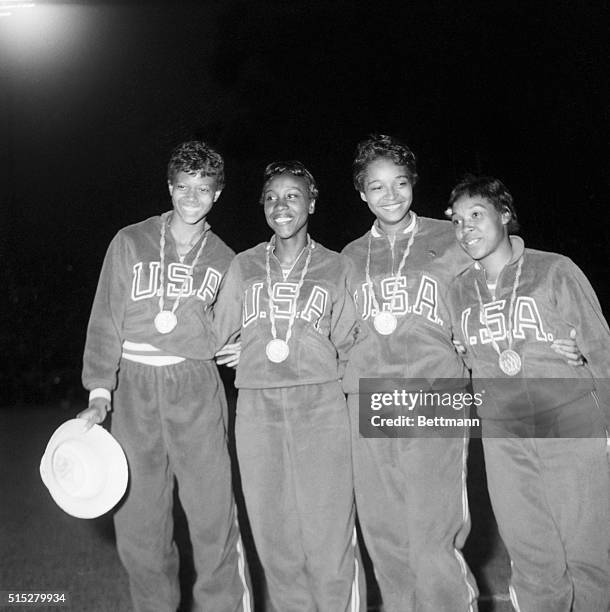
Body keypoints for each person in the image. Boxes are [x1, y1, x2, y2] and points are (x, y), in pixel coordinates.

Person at [77, 140, 252, 611]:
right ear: (169, 187)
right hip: (134, 388)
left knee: (213, 516)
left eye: (203, 188)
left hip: (194, 387)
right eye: (183, 187)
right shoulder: (130, 241)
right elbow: (105, 318)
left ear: (217, 194)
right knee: (139, 522)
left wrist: (236, 346)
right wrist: (99, 391)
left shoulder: (226, 259)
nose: (192, 197)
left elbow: (233, 328)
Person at [446, 175, 610, 612]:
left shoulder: (554, 269)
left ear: (504, 215)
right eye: (458, 222)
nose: (466, 230)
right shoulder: (459, 290)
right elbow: (464, 356)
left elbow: (601, 349)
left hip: (569, 425)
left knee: (588, 551)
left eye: (476, 215)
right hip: (505, 435)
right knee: (531, 553)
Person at [213, 161, 365, 612]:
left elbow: (353, 341)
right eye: (273, 197)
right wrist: (251, 345)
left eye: (293, 195)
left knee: (328, 533)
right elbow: (216, 336)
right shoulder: (242, 267)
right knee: (273, 536)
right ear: (263, 205)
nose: (282, 205)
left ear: (312, 203)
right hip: (257, 410)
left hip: (320, 406)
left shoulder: (337, 266)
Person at [341, 134, 479, 611]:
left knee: (432, 531)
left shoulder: (451, 235)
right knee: (385, 533)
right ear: (361, 193)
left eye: (400, 183)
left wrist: (475, 334)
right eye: (377, 187)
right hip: (372, 396)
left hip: (435, 390)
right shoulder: (351, 257)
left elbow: (504, 262)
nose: (391, 195)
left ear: (413, 184)